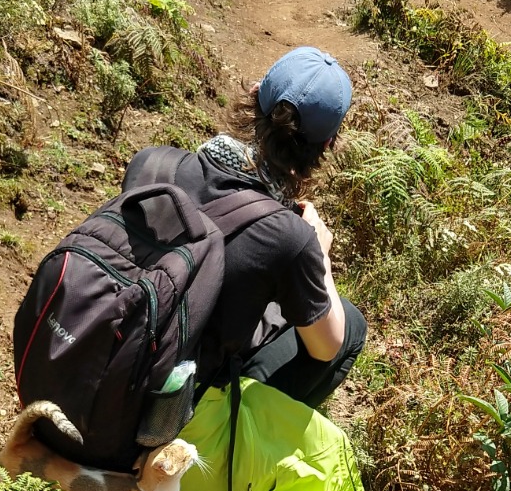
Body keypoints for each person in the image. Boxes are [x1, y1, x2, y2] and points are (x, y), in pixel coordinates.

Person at [153, 45, 367, 407]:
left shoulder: (156, 164)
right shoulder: (288, 237)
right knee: (351, 325)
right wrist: (319, 256)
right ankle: (238, 430)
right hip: (174, 404)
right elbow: (327, 346)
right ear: (327, 143)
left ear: (255, 94)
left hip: (119, 355)